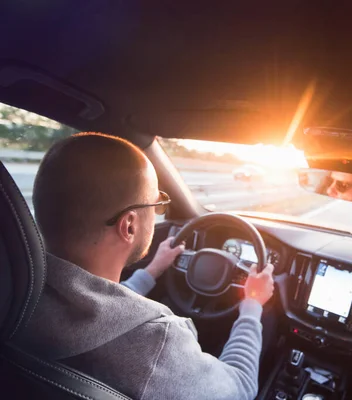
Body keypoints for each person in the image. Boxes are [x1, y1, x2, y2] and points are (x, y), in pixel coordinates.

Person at [13, 132, 274, 400]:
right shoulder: (155, 342)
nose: (158, 210)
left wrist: (151, 272)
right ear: (129, 225)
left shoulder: (15, 294)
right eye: (157, 203)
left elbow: (93, 307)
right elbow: (241, 387)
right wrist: (252, 306)